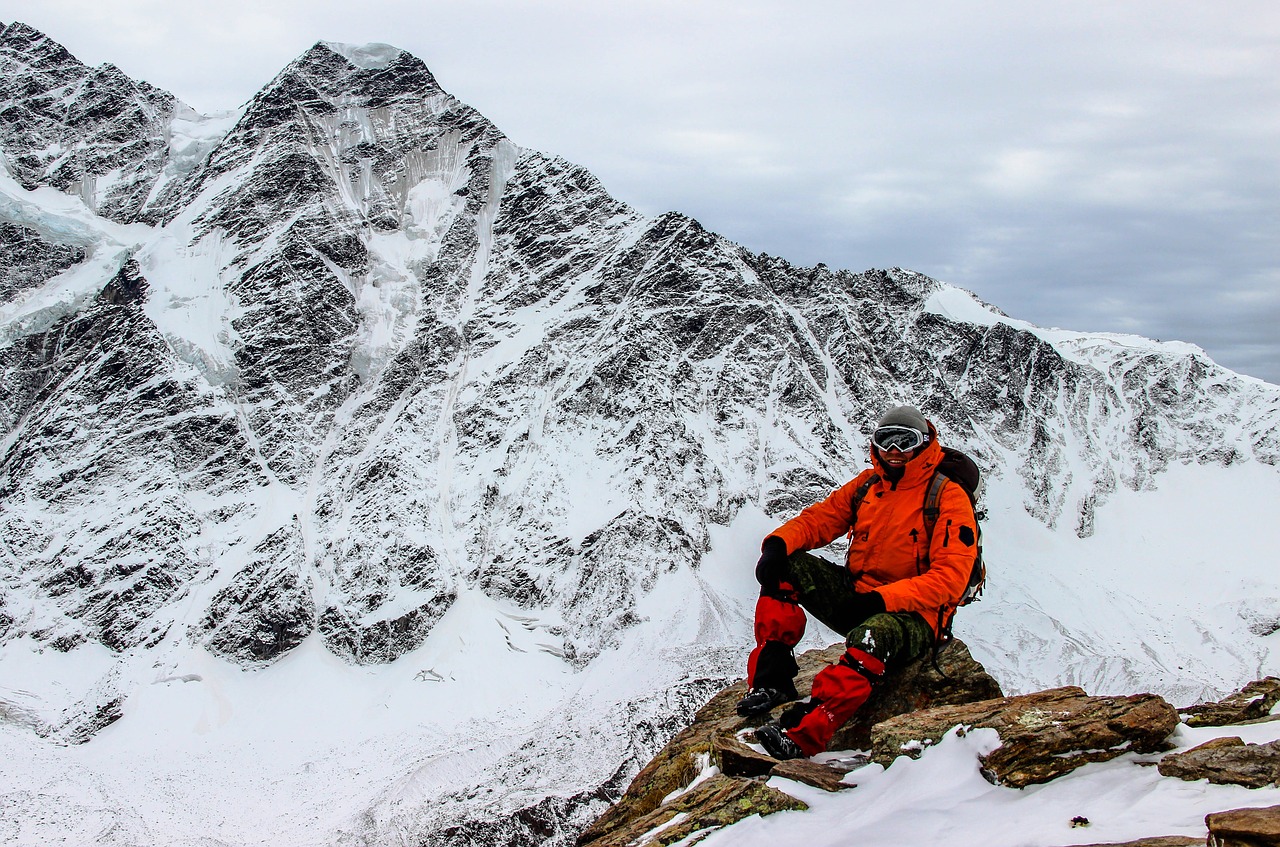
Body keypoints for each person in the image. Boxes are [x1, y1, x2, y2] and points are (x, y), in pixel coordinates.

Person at [738, 404, 979, 760]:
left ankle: (804, 734)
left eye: (904, 441)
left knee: (873, 634)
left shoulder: (946, 496)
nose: (894, 451)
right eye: (886, 441)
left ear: (924, 444)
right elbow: (821, 518)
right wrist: (777, 545)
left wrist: (882, 601)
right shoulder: (869, 485)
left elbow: (950, 581)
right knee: (787, 568)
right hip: (861, 600)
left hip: (916, 619)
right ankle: (772, 682)